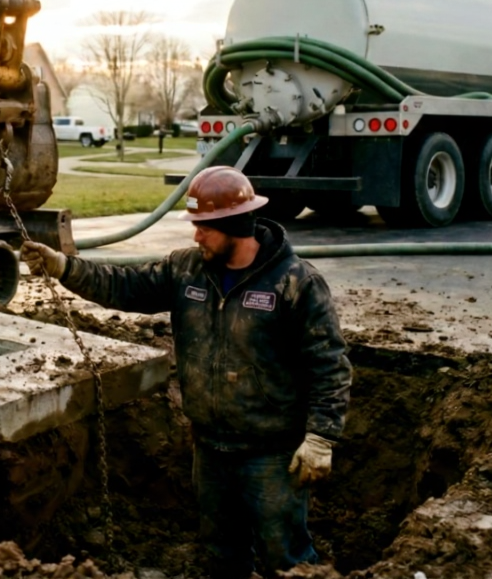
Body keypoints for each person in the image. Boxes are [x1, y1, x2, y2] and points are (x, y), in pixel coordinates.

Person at [20, 166, 351, 578]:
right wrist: (64, 268)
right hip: (210, 450)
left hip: (271, 453)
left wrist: (321, 436)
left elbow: (329, 363)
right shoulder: (186, 270)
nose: (196, 237)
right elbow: (123, 285)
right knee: (221, 554)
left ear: (235, 225)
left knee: (285, 557)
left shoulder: (296, 284)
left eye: (204, 228)